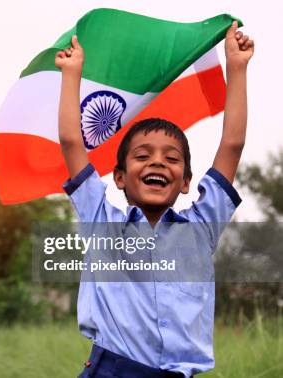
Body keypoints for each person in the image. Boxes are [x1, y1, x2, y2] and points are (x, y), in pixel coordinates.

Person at [55, 21, 254, 377]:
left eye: (172, 158)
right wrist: (72, 74)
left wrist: (236, 67)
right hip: (112, 371)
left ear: (185, 181)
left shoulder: (201, 229)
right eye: (143, 156)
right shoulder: (102, 223)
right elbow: (72, 142)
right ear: (119, 177)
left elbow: (232, 145)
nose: (158, 161)